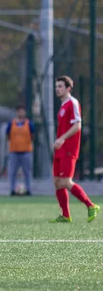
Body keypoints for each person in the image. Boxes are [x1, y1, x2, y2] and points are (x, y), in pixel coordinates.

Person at [49, 76, 99, 223]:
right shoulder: (63, 105)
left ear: (68, 88)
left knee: (65, 181)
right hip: (61, 149)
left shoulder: (73, 102)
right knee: (58, 182)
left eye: (60, 86)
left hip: (69, 149)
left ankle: (91, 205)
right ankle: (65, 215)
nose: (57, 89)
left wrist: (62, 138)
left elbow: (78, 125)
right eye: (56, 86)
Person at [6, 104, 35, 196]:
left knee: (27, 172)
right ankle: (12, 190)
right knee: (13, 172)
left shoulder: (29, 123)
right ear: (17, 112)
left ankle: (28, 189)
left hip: (26, 151)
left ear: (25, 113)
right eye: (19, 111)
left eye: (22, 111)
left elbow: (33, 135)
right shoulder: (11, 123)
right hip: (14, 151)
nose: (21, 113)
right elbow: (8, 135)